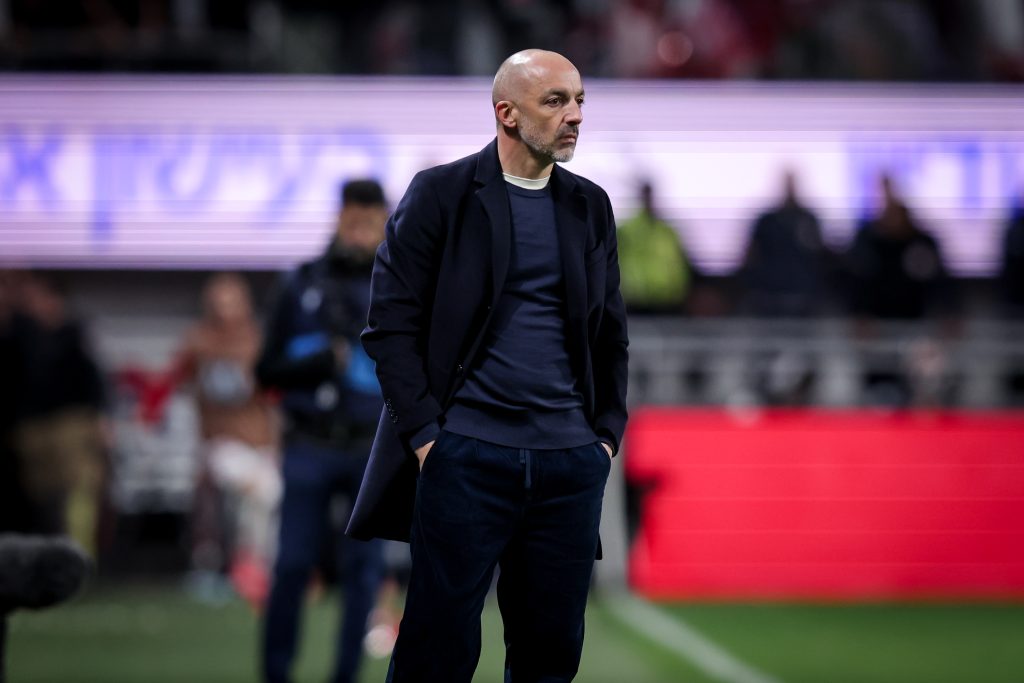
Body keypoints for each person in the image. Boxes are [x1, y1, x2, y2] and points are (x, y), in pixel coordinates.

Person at [347, 49, 629, 683]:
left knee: (549, 660)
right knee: (434, 657)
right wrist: (428, 439)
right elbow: (390, 327)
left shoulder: (591, 205)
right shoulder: (440, 194)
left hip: (569, 462)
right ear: (507, 113)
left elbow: (611, 335)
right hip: (465, 457)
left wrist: (604, 437)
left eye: (579, 100)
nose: (575, 115)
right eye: (555, 101)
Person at [257, 180, 388, 683]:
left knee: (363, 573)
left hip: (370, 448)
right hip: (309, 443)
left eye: (370, 222)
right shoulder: (301, 283)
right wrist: (317, 363)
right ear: (338, 218)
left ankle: (346, 675)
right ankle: (275, 673)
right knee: (292, 565)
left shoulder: (398, 286)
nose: (360, 232)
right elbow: (265, 371)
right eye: (353, 220)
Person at [174, 273, 281, 606]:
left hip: (258, 443)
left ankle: (255, 566)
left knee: (268, 497)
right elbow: (183, 387)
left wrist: (277, 444)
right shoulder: (198, 343)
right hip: (220, 443)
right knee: (261, 492)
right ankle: (237, 565)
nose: (225, 312)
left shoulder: (258, 342)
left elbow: (273, 399)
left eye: (232, 303)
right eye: (219, 304)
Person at [616, 180, 694, 315]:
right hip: (636, 300)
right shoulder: (626, 231)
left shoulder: (667, 231)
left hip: (668, 300)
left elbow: (680, 263)